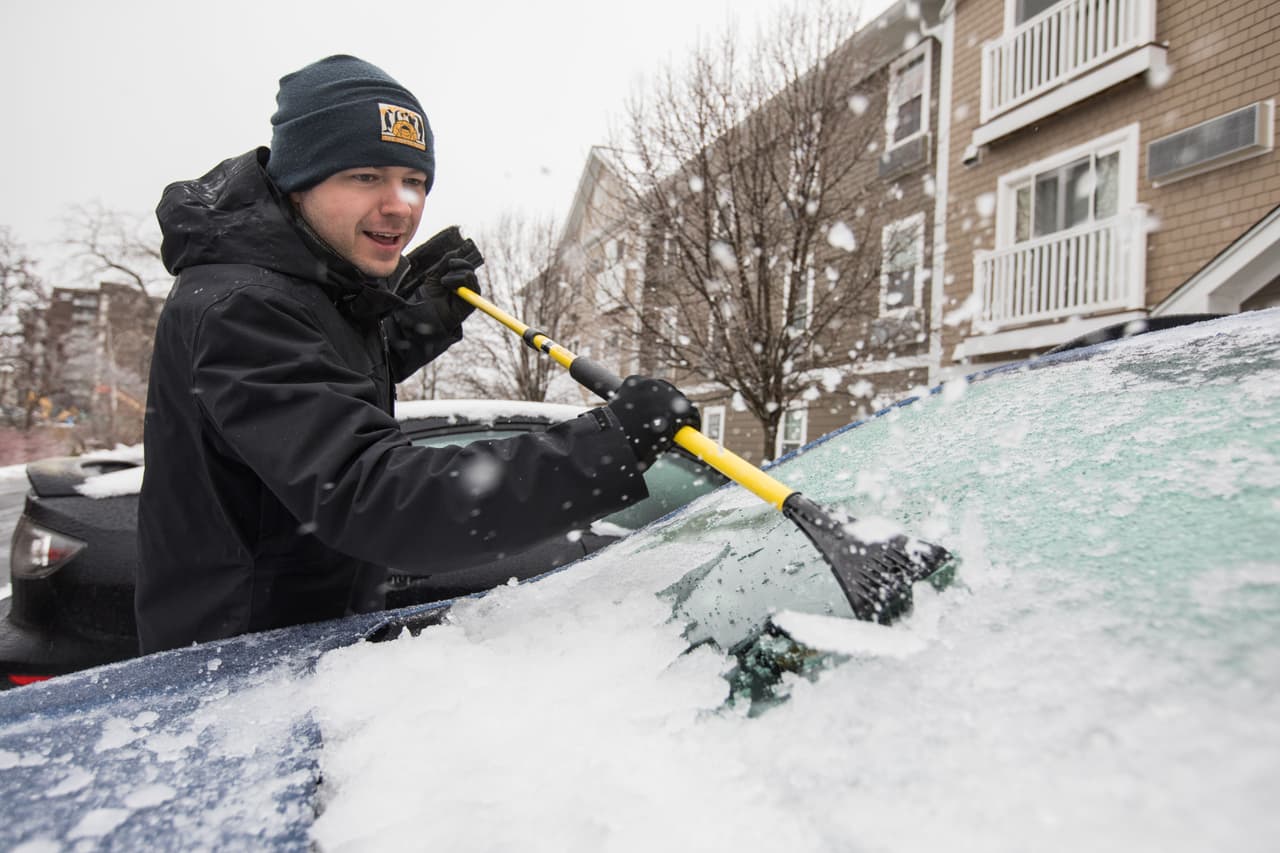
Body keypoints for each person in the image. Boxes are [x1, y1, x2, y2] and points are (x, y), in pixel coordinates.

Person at [136, 55, 698, 653]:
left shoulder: (295, 289)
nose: (400, 204)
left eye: (415, 180)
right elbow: (375, 495)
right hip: (237, 666)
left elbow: (318, 384)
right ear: (300, 180)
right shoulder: (242, 306)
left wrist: (416, 317)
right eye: (365, 176)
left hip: (294, 642)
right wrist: (609, 444)